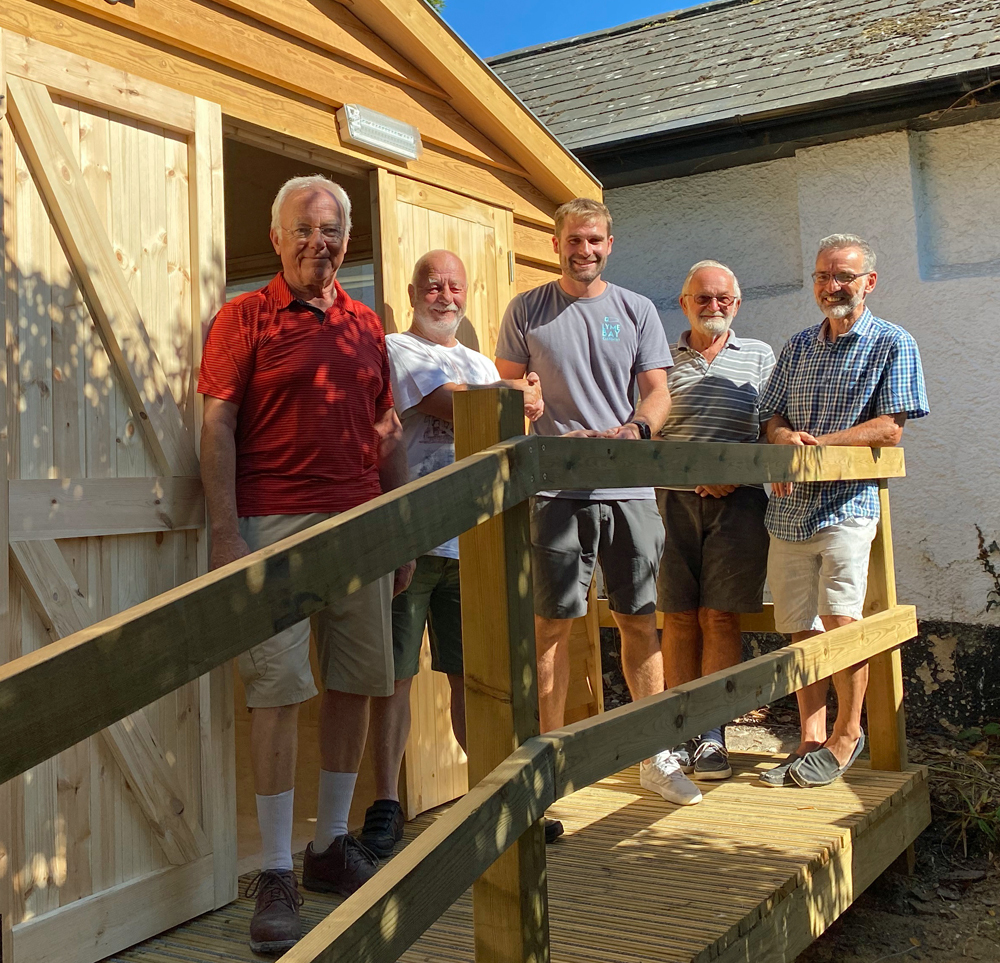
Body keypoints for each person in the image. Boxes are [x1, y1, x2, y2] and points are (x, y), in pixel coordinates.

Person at [198, 174, 415, 953]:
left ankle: (329, 845)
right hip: (272, 524)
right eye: (304, 228)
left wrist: (397, 531)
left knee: (358, 676)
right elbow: (217, 427)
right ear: (277, 234)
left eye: (331, 230)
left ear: (346, 241)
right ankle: (279, 869)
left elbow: (387, 430)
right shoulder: (243, 317)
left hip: (360, 520)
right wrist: (226, 533)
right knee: (278, 689)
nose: (318, 242)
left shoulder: (366, 325)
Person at [494, 197, 681, 808]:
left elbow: (658, 391)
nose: (585, 251)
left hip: (628, 487)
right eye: (574, 240)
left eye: (595, 240)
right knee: (551, 628)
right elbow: (507, 386)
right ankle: (545, 766)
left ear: (609, 244)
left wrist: (636, 431)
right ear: (556, 244)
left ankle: (653, 753)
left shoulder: (636, 309)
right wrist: (524, 402)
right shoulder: (528, 309)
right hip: (554, 490)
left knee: (639, 619)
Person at [358, 249, 544, 856]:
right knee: (395, 677)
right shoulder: (397, 348)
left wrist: (518, 398)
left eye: (454, 286)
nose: (444, 296)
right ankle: (386, 805)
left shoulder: (480, 361)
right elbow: (452, 405)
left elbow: (513, 425)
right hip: (412, 537)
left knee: (474, 676)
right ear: (412, 294)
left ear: (466, 296)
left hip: (474, 542)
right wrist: (516, 393)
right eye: (432, 286)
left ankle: (495, 797)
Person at [757, 233, 928, 789]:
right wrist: (783, 440)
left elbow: (891, 428)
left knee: (841, 621)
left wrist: (819, 450)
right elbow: (772, 415)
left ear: (868, 283)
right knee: (799, 629)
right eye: (824, 277)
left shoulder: (893, 342)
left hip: (847, 506)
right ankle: (809, 737)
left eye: (845, 277)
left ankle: (847, 734)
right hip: (788, 512)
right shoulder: (799, 345)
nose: (833, 286)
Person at [655, 261, 775, 796]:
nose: (713, 306)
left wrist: (733, 472)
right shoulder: (661, 359)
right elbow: (651, 422)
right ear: (684, 304)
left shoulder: (761, 356)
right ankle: (677, 733)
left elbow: (772, 426)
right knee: (678, 618)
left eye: (723, 298)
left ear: (738, 303)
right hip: (671, 502)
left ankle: (712, 734)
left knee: (720, 616)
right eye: (702, 298)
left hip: (739, 503)